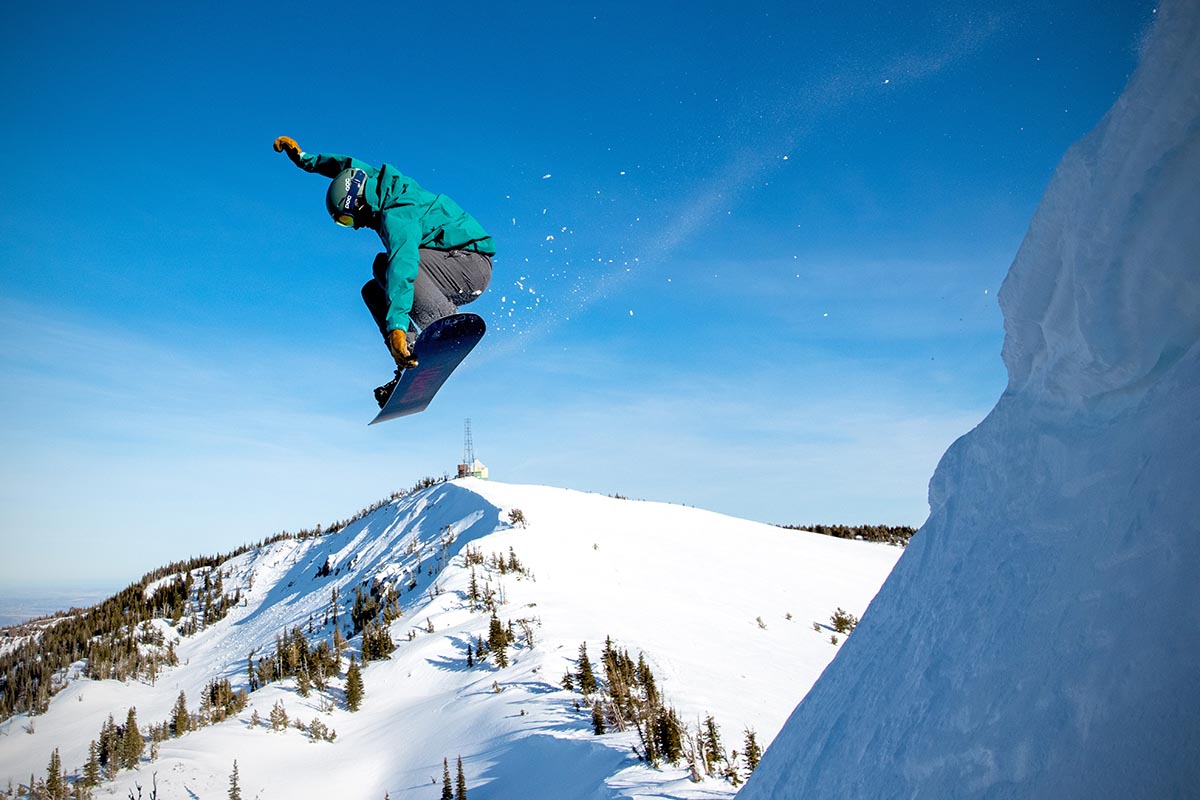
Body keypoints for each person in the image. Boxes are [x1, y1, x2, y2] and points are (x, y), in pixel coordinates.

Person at [273, 136, 495, 406]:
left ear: (359, 204)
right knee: (371, 290)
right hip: (445, 269)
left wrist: (397, 326)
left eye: (348, 218)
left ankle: (439, 321)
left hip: (469, 265)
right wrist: (304, 160)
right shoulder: (372, 182)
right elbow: (343, 166)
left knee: (388, 267)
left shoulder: (397, 211)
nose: (354, 226)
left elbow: (404, 267)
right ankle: (410, 355)